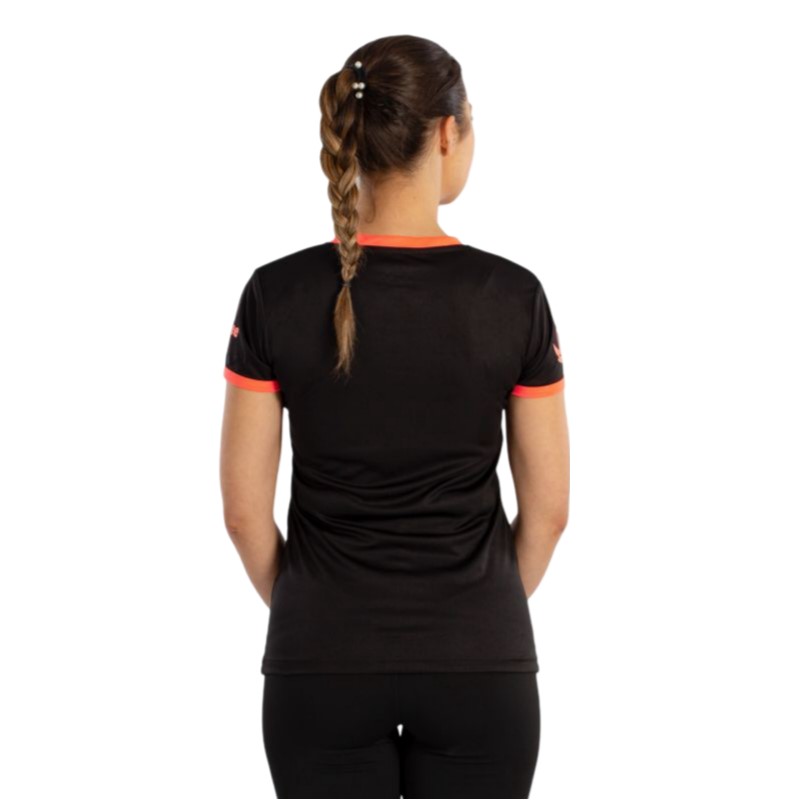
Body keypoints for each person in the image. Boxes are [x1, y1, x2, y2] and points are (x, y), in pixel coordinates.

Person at [219, 34, 570, 800]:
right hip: (480, 666)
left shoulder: (275, 294)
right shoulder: (512, 297)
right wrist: (477, 612)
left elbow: (244, 515)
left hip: (320, 664)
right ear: (446, 132)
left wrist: (317, 610)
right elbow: (549, 513)